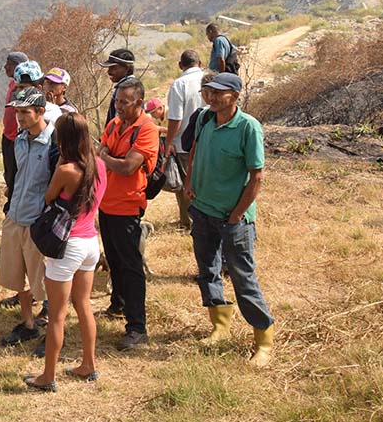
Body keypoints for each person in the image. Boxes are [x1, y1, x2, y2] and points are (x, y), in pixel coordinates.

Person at [185, 72, 275, 366]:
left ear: (235, 96)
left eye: (219, 93)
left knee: (242, 276)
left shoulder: (248, 127)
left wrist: (237, 214)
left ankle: (263, 340)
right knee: (207, 270)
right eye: (209, 91)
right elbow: (195, 148)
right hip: (203, 211)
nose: (212, 97)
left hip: (232, 218)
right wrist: (189, 181)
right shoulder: (204, 119)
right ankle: (220, 325)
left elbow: (257, 176)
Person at [25, 112, 107, 392]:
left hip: (66, 245)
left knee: (57, 315)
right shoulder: (100, 166)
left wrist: (61, 160)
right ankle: (88, 364)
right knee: (84, 305)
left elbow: (49, 197)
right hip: (90, 243)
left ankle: (48, 376)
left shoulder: (66, 169)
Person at [97, 78, 158, 350]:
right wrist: (111, 157)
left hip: (128, 205)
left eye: (125, 102)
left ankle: (137, 327)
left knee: (131, 266)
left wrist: (108, 157)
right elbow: (104, 151)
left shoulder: (146, 129)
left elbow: (128, 167)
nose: (119, 106)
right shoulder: (114, 124)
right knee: (114, 259)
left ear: (139, 103)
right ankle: (117, 305)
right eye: (117, 101)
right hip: (106, 203)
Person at [0, 89, 60, 347]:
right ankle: (28, 324)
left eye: (25, 112)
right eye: (17, 112)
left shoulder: (54, 142)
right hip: (15, 216)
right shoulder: (20, 140)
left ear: (40, 112)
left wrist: (46, 216)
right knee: (17, 276)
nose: (19, 117)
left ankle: (53, 333)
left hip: (38, 221)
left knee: (45, 282)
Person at [166, 49, 205, 231]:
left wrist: (168, 142)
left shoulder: (179, 84)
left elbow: (176, 118)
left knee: (185, 184)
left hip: (184, 143)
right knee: (204, 180)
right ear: (200, 63)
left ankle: (188, 222)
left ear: (181, 65)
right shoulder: (210, 80)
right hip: (208, 141)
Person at [0, 51, 30, 208]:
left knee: (16, 177)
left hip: (16, 139)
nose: (5, 67)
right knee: (9, 175)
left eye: (9, 64)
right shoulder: (12, 84)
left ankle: (14, 206)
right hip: (8, 136)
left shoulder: (23, 88)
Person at [99, 48, 137, 126]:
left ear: (126, 68)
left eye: (113, 68)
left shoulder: (127, 89)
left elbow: (119, 124)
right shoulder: (125, 86)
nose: (109, 72)